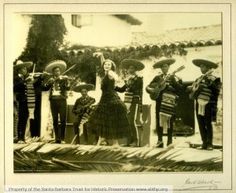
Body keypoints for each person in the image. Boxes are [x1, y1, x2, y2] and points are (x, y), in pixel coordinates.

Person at [88, 52, 130, 146]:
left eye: (109, 65)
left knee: (109, 121)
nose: (106, 66)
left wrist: (117, 78)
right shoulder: (105, 73)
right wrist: (101, 56)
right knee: (104, 121)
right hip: (105, 99)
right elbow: (103, 63)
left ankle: (112, 143)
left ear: (111, 67)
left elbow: (115, 77)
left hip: (111, 99)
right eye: (106, 64)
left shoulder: (110, 73)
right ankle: (104, 142)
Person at [146, 57, 183, 148]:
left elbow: (179, 88)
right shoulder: (157, 77)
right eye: (162, 67)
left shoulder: (172, 77)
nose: (164, 68)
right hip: (159, 100)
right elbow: (150, 86)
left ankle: (169, 141)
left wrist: (172, 88)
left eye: (166, 66)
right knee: (159, 120)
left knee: (169, 120)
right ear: (161, 68)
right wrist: (153, 90)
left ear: (169, 67)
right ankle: (160, 141)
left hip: (169, 101)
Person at [188, 59, 221, 150]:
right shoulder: (198, 79)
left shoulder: (215, 78)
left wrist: (209, 82)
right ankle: (204, 143)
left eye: (203, 66)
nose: (201, 68)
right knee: (201, 123)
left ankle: (209, 144)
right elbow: (193, 91)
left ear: (208, 68)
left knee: (208, 123)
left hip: (209, 104)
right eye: (200, 67)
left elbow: (217, 91)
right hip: (199, 103)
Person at [115, 59, 144, 147]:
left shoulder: (139, 79)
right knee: (127, 121)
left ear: (135, 69)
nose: (130, 70)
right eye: (129, 68)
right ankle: (128, 141)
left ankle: (135, 141)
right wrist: (114, 87)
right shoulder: (129, 79)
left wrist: (128, 83)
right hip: (127, 101)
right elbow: (122, 89)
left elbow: (135, 89)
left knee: (132, 120)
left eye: (132, 68)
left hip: (134, 101)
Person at [43, 60, 70, 144]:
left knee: (63, 120)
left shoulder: (63, 79)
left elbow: (68, 88)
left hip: (62, 100)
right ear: (53, 72)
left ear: (60, 72)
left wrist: (67, 81)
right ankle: (57, 138)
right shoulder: (51, 80)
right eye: (55, 71)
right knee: (55, 120)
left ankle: (62, 138)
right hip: (53, 101)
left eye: (58, 71)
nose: (57, 72)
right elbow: (44, 88)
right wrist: (48, 83)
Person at [14, 60, 33, 143]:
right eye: (23, 69)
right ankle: (19, 137)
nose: (25, 70)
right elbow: (15, 87)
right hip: (20, 101)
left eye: (25, 69)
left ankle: (23, 137)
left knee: (25, 119)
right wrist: (25, 81)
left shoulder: (27, 78)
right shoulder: (16, 78)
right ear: (19, 70)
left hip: (27, 101)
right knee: (20, 119)